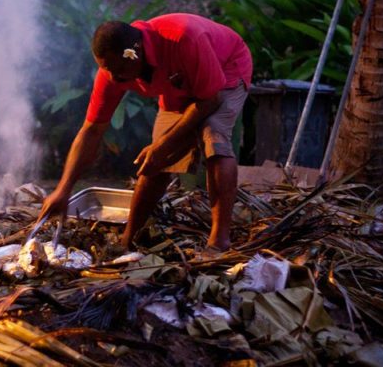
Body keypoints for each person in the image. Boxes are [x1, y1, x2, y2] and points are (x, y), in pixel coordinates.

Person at [38, 13, 253, 253]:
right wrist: (63, 189)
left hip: (225, 71)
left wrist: (163, 145)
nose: (113, 78)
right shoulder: (113, 70)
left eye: (119, 69)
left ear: (136, 51)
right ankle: (129, 238)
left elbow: (209, 100)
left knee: (214, 135)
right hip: (180, 84)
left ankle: (219, 241)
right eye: (107, 70)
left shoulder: (184, 38)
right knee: (155, 162)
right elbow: (92, 130)